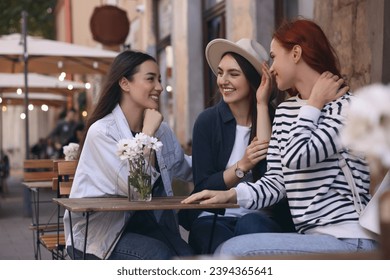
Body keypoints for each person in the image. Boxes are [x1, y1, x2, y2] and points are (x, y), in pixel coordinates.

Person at [182, 19, 378, 256]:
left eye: (274, 56)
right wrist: (230, 194)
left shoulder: (347, 109)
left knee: (233, 252)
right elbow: (276, 181)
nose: (271, 67)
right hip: (310, 238)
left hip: (350, 238)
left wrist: (314, 103)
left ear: (296, 53)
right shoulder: (286, 111)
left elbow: (298, 157)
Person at [63, 50, 194, 260]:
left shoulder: (162, 130)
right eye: (150, 79)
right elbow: (138, 190)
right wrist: (147, 134)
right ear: (125, 84)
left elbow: (184, 167)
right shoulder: (103, 132)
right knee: (159, 257)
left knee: (189, 257)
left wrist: (236, 168)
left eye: (159, 80)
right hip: (101, 235)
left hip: (150, 228)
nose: (159, 87)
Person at [179, 38, 294, 254]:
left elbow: (273, 176)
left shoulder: (277, 118)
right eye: (221, 73)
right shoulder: (207, 122)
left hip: (260, 216)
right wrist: (241, 167)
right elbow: (203, 185)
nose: (223, 80)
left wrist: (261, 104)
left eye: (233, 74)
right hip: (215, 215)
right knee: (209, 236)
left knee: (250, 225)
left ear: (252, 79)